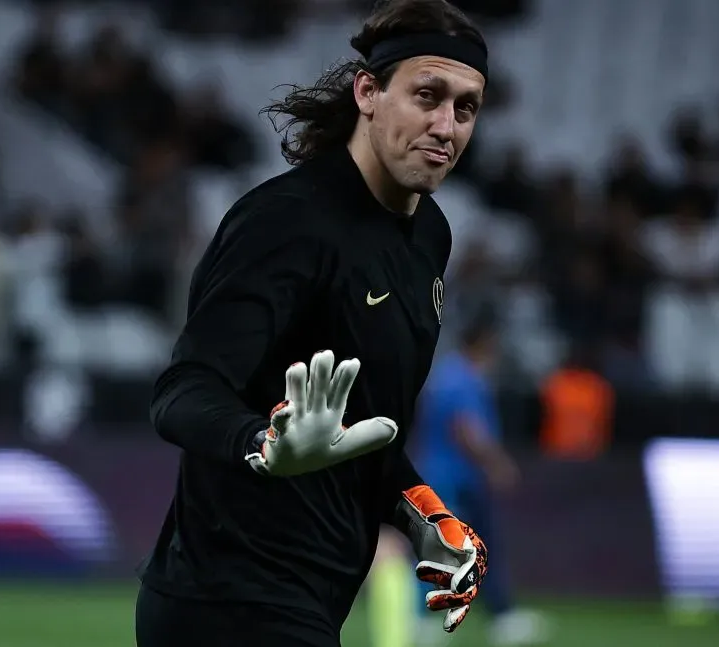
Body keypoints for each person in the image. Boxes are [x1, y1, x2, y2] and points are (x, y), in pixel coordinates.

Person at [134, 2, 492, 646]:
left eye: (464, 109)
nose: (445, 126)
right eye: (427, 96)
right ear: (368, 92)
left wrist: (427, 516)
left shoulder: (428, 236)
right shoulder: (287, 222)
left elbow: (367, 436)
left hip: (313, 600)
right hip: (224, 600)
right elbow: (181, 392)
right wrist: (265, 446)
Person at [406, 308, 547, 646]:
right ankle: (486, 618)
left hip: (436, 476)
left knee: (446, 549)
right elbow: (466, 429)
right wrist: (496, 464)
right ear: (484, 341)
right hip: (459, 479)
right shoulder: (465, 378)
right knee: (466, 548)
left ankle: (482, 616)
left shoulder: (445, 375)